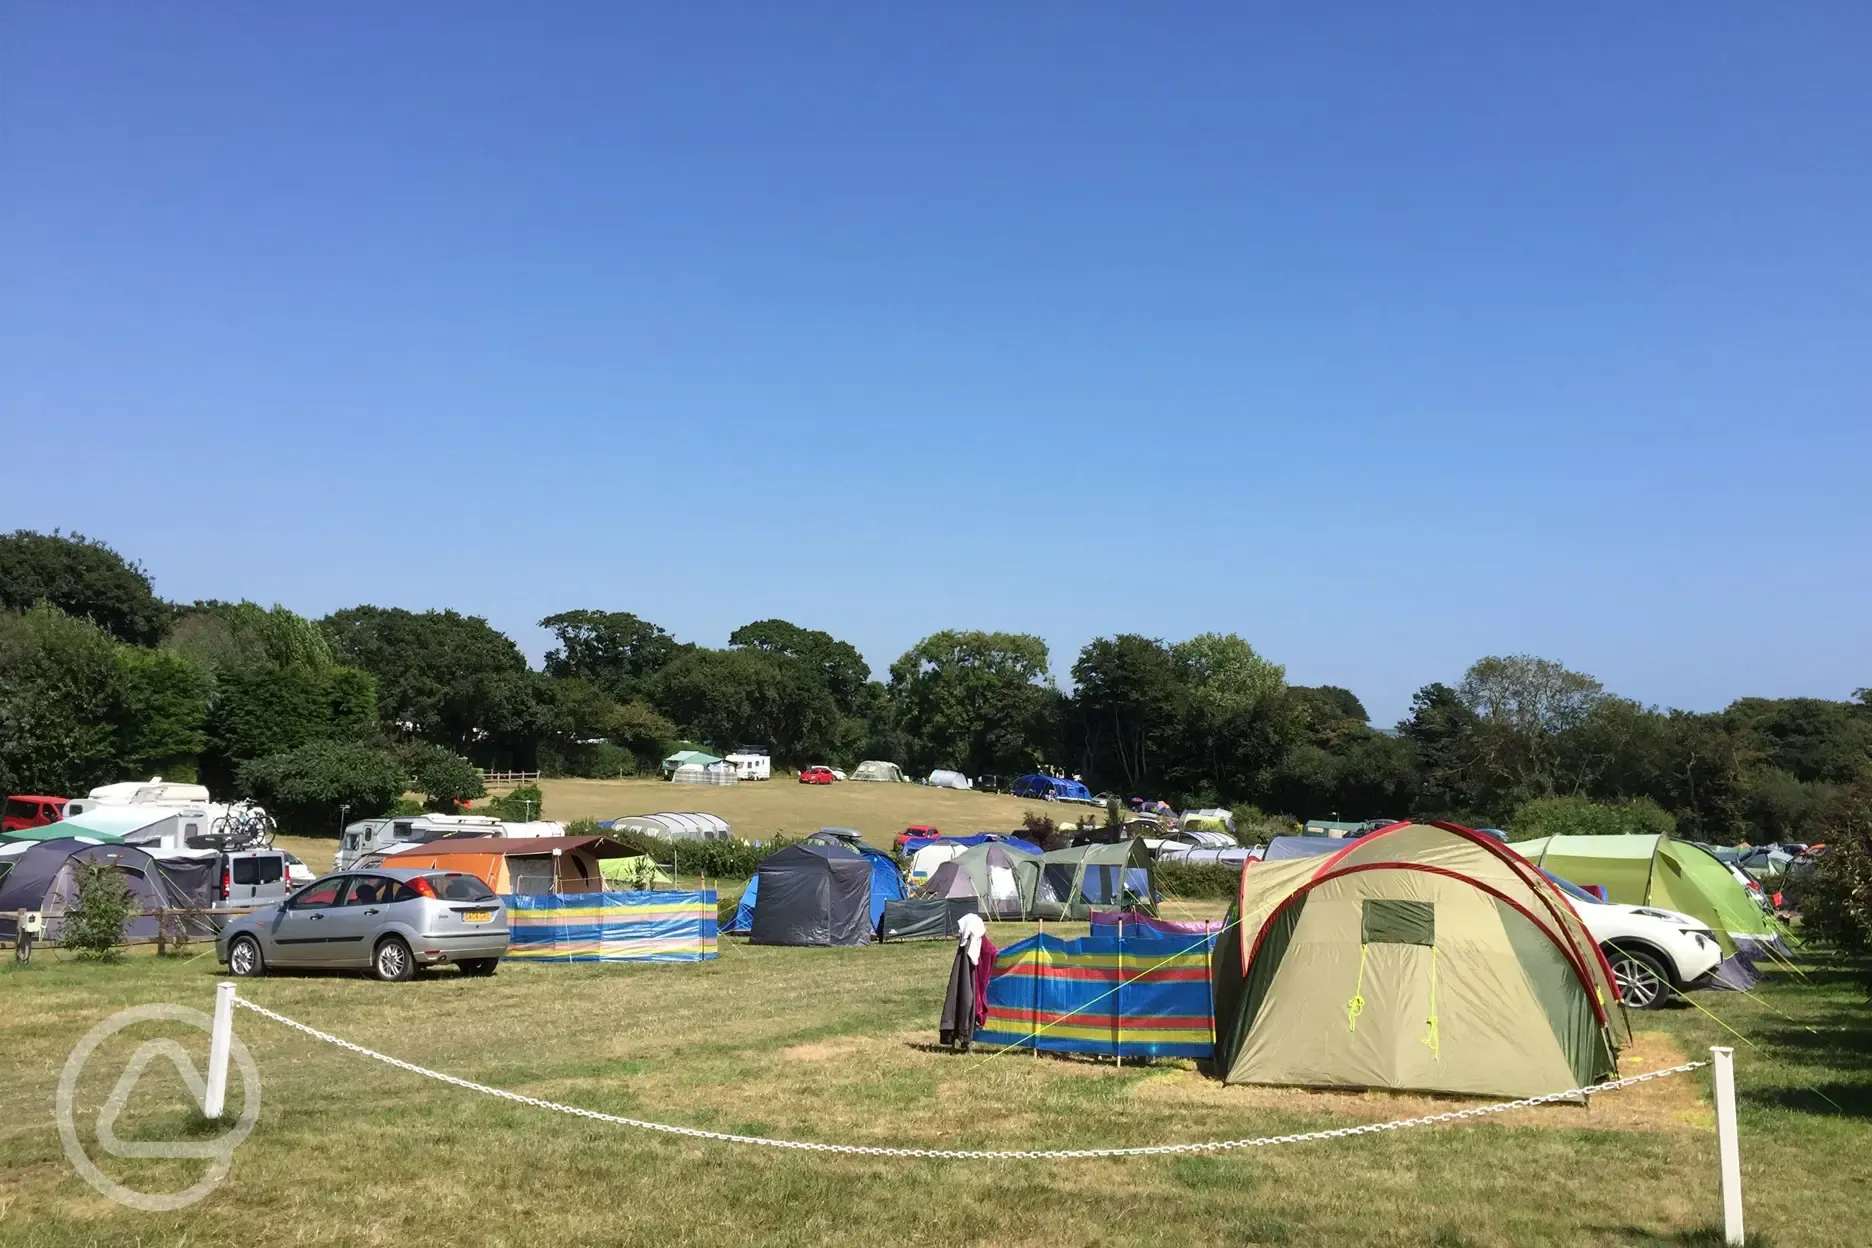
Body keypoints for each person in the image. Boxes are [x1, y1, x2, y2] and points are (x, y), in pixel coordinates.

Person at [939, 912, 997, 1051]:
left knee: (964, 1000)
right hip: (968, 979)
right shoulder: (972, 942)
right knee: (967, 1001)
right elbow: (991, 952)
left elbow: (989, 951)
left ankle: (960, 1038)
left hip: (968, 978)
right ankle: (964, 1037)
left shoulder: (968, 942)